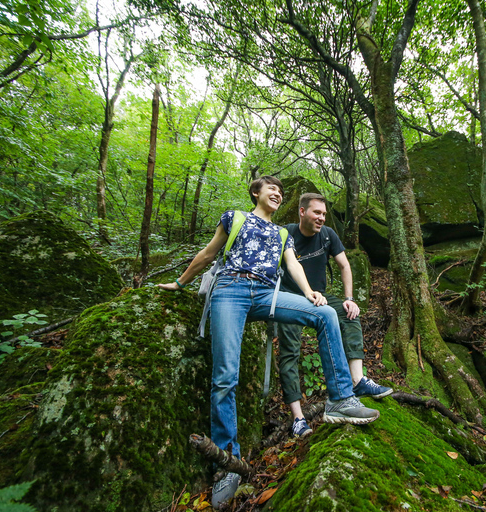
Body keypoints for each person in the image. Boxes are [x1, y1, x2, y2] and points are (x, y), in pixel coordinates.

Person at [158, 177, 379, 508]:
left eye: (280, 191)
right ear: (255, 193)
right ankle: (227, 463)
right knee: (225, 376)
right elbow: (208, 253)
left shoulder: (283, 234)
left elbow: (292, 264)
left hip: (266, 294)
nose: (277, 193)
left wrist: (309, 293)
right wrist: (179, 282)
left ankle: (340, 398)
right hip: (229, 290)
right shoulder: (234, 218)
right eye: (270, 189)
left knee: (326, 315)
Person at [278, 193, 393, 438]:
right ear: (301, 211)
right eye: (316, 213)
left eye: (324, 214)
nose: (321, 218)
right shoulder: (285, 233)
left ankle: (358, 380)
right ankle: (298, 418)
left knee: (349, 313)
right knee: (290, 351)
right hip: (290, 297)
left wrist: (349, 299)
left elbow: (345, 265)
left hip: (319, 296)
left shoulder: (328, 234)